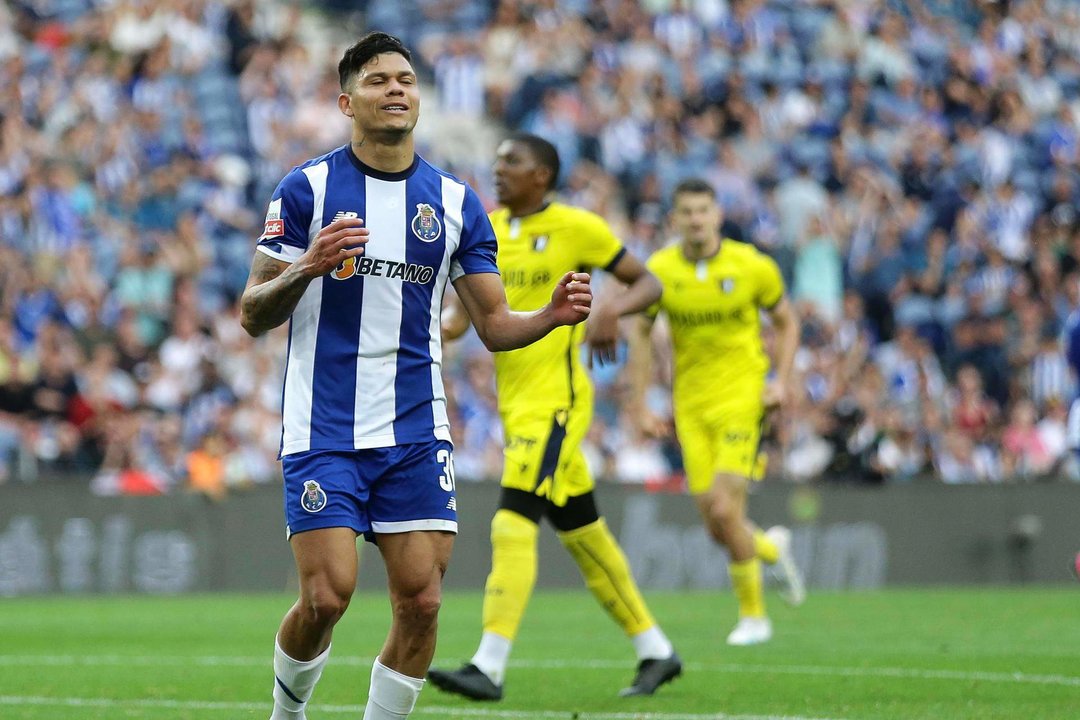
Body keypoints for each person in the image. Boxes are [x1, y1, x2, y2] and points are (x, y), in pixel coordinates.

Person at [239, 33, 593, 720]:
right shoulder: (306, 188)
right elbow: (252, 312)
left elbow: (492, 326)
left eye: (405, 78)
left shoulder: (455, 204)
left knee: (423, 602)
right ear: (347, 102)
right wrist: (307, 266)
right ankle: (286, 715)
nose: (396, 88)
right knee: (327, 596)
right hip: (325, 427)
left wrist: (547, 316)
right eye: (377, 81)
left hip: (414, 430)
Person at [427, 134, 681, 700]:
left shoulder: (576, 227)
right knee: (585, 535)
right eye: (495, 162)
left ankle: (489, 663)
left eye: (511, 162)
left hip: (558, 405)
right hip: (515, 407)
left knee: (510, 520)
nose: (498, 169)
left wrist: (610, 307)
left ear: (541, 174)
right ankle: (655, 649)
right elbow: (467, 313)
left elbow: (649, 281)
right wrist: (437, 330)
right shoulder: (484, 228)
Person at [629, 178, 805, 646]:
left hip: (743, 400)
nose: (695, 220)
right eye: (686, 212)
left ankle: (755, 617)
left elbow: (788, 323)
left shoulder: (751, 266)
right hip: (690, 406)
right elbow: (641, 333)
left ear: (718, 215)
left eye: (703, 210)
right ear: (675, 219)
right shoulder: (660, 270)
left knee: (727, 508)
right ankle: (770, 547)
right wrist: (642, 402)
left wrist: (780, 381)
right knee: (716, 524)